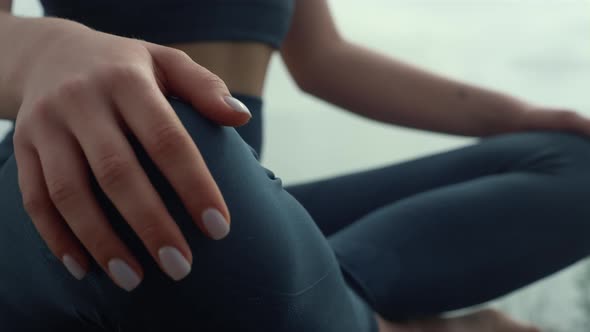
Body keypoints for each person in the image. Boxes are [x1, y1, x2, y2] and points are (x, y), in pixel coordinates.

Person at [1, 0, 589, 330]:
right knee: (161, 145)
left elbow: (323, 58)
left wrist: (516, 115)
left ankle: (342, 297)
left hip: (232, 208)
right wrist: (47, 51)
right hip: (79, 176)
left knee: (579, 164)